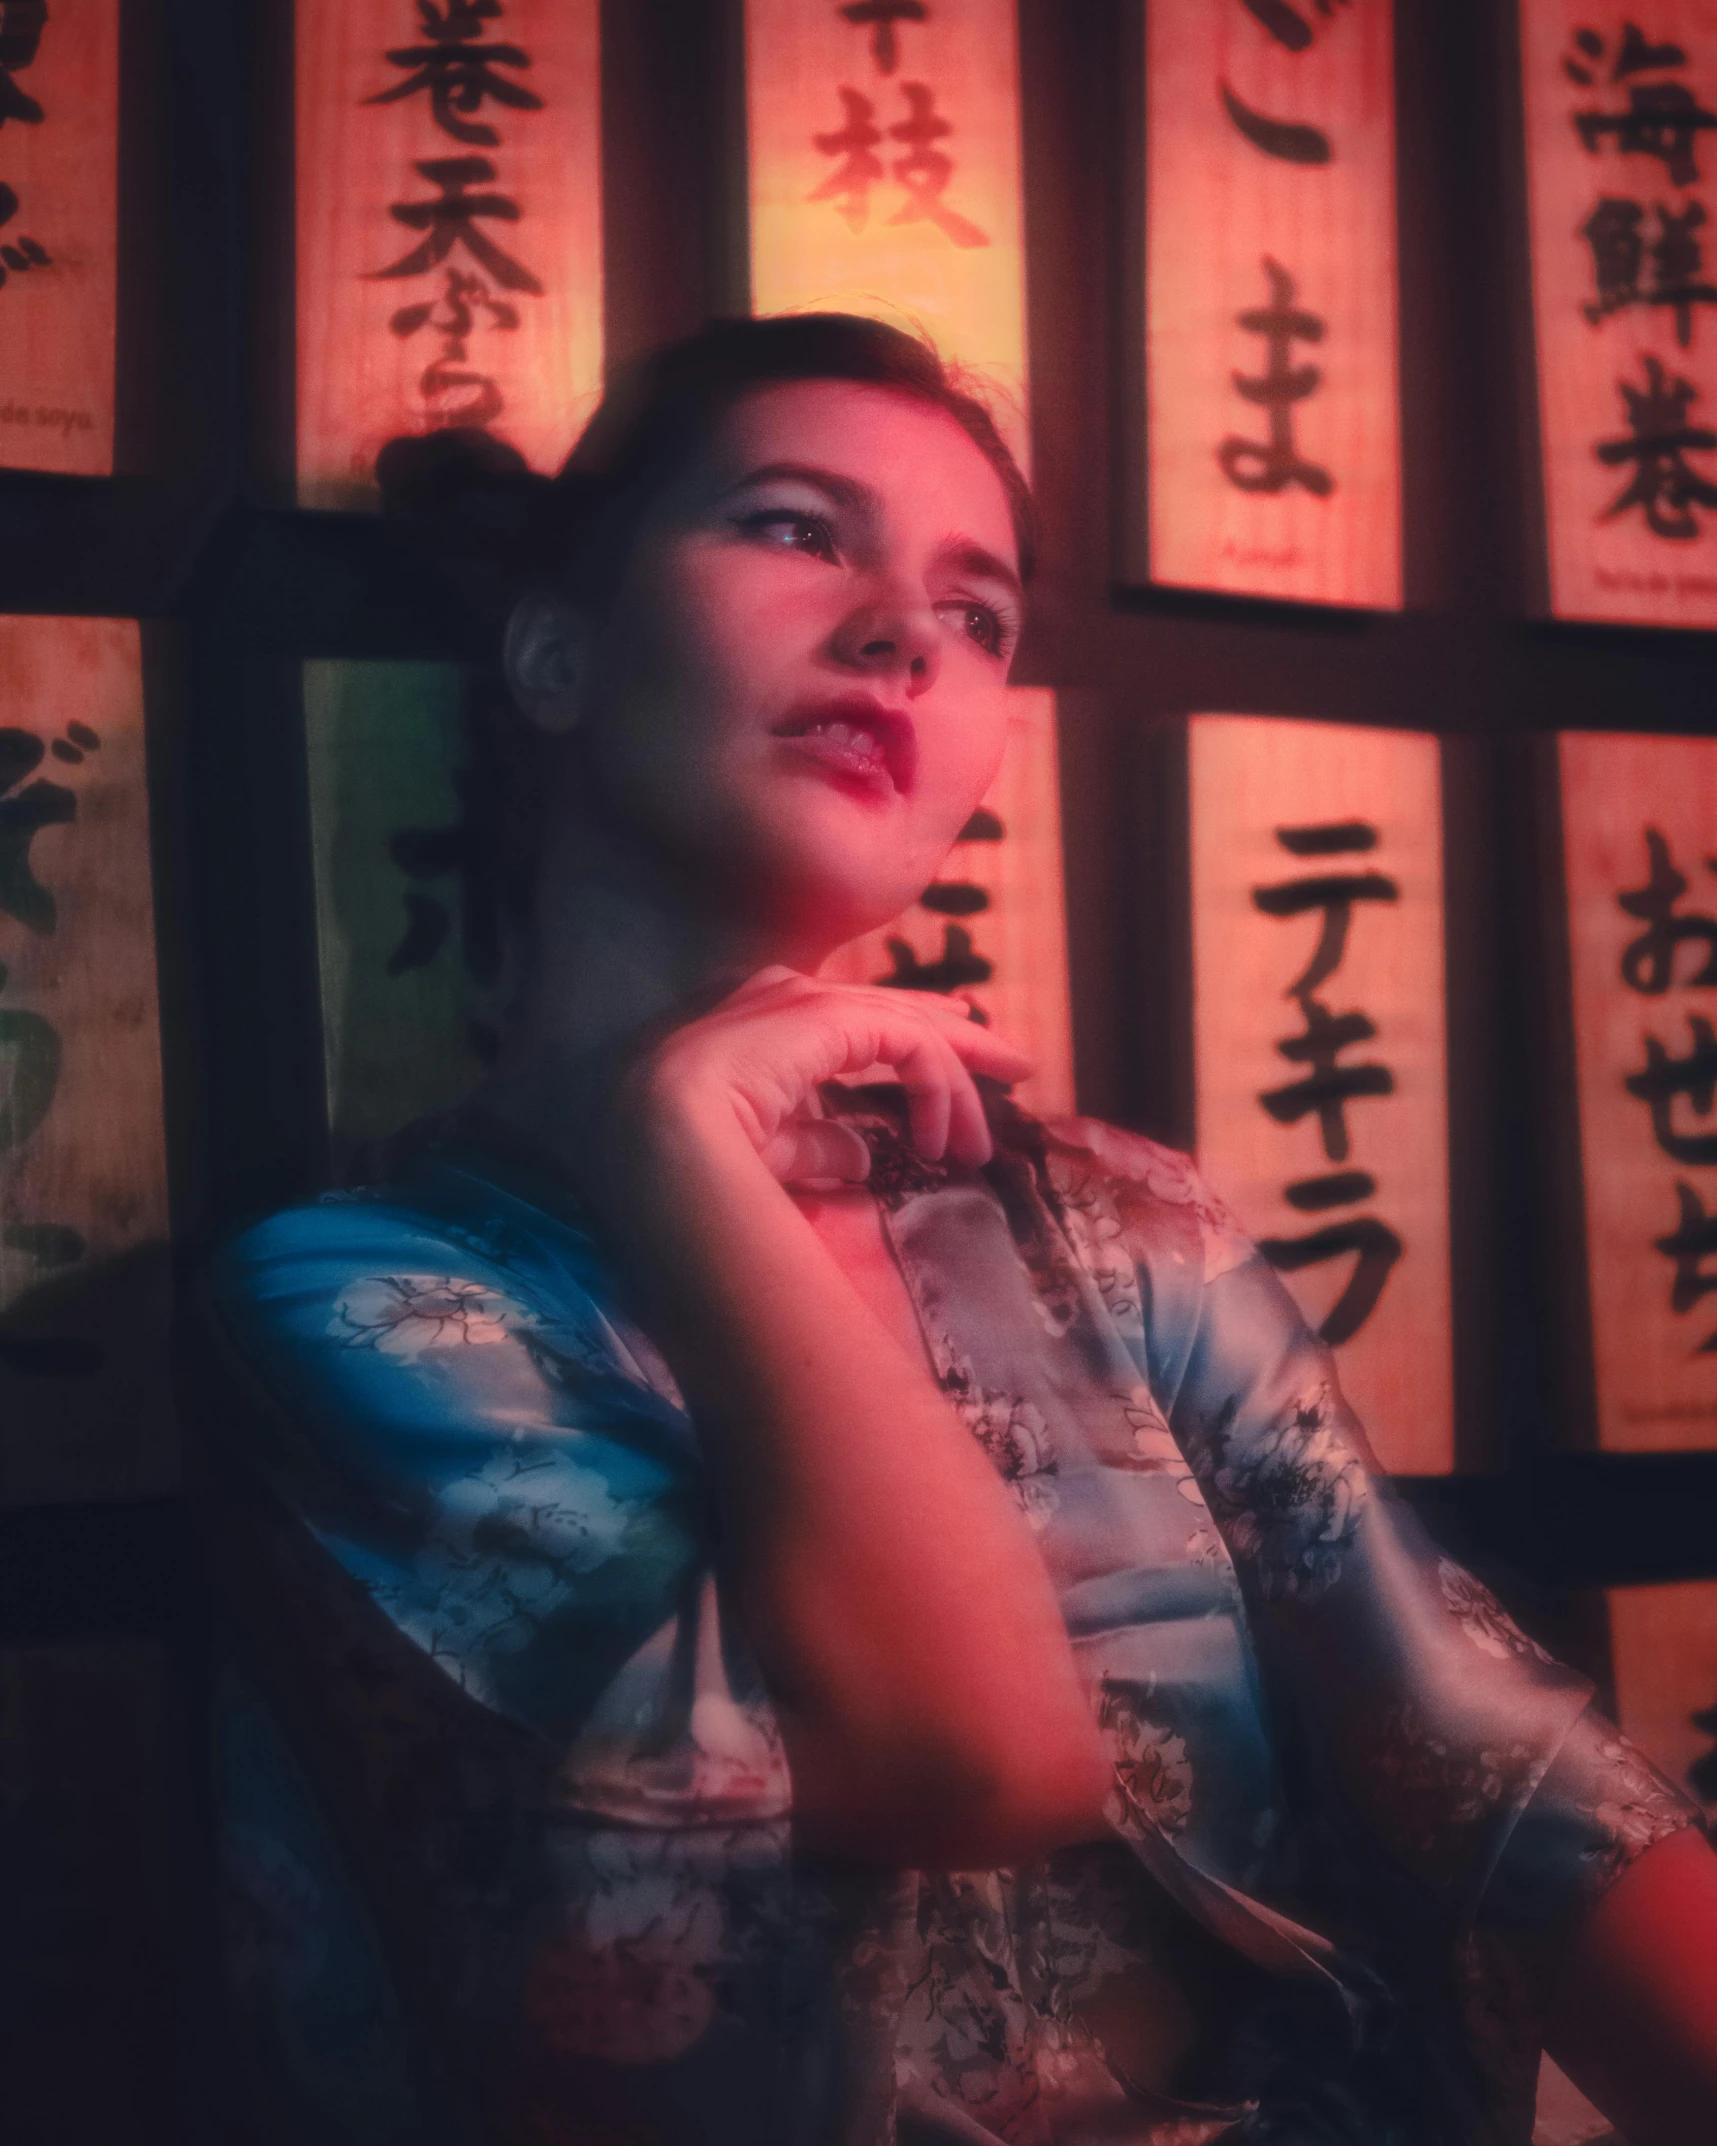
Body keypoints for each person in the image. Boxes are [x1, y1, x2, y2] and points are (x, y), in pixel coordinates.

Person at [198, 314, 1717, 2146]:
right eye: (793, 526)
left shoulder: (1119, 1231)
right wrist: (677, 1133)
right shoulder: (359, 1305)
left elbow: (1492, 1771)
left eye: (978, 611)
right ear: (555, 649)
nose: (906, 629)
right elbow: (970, 1758)